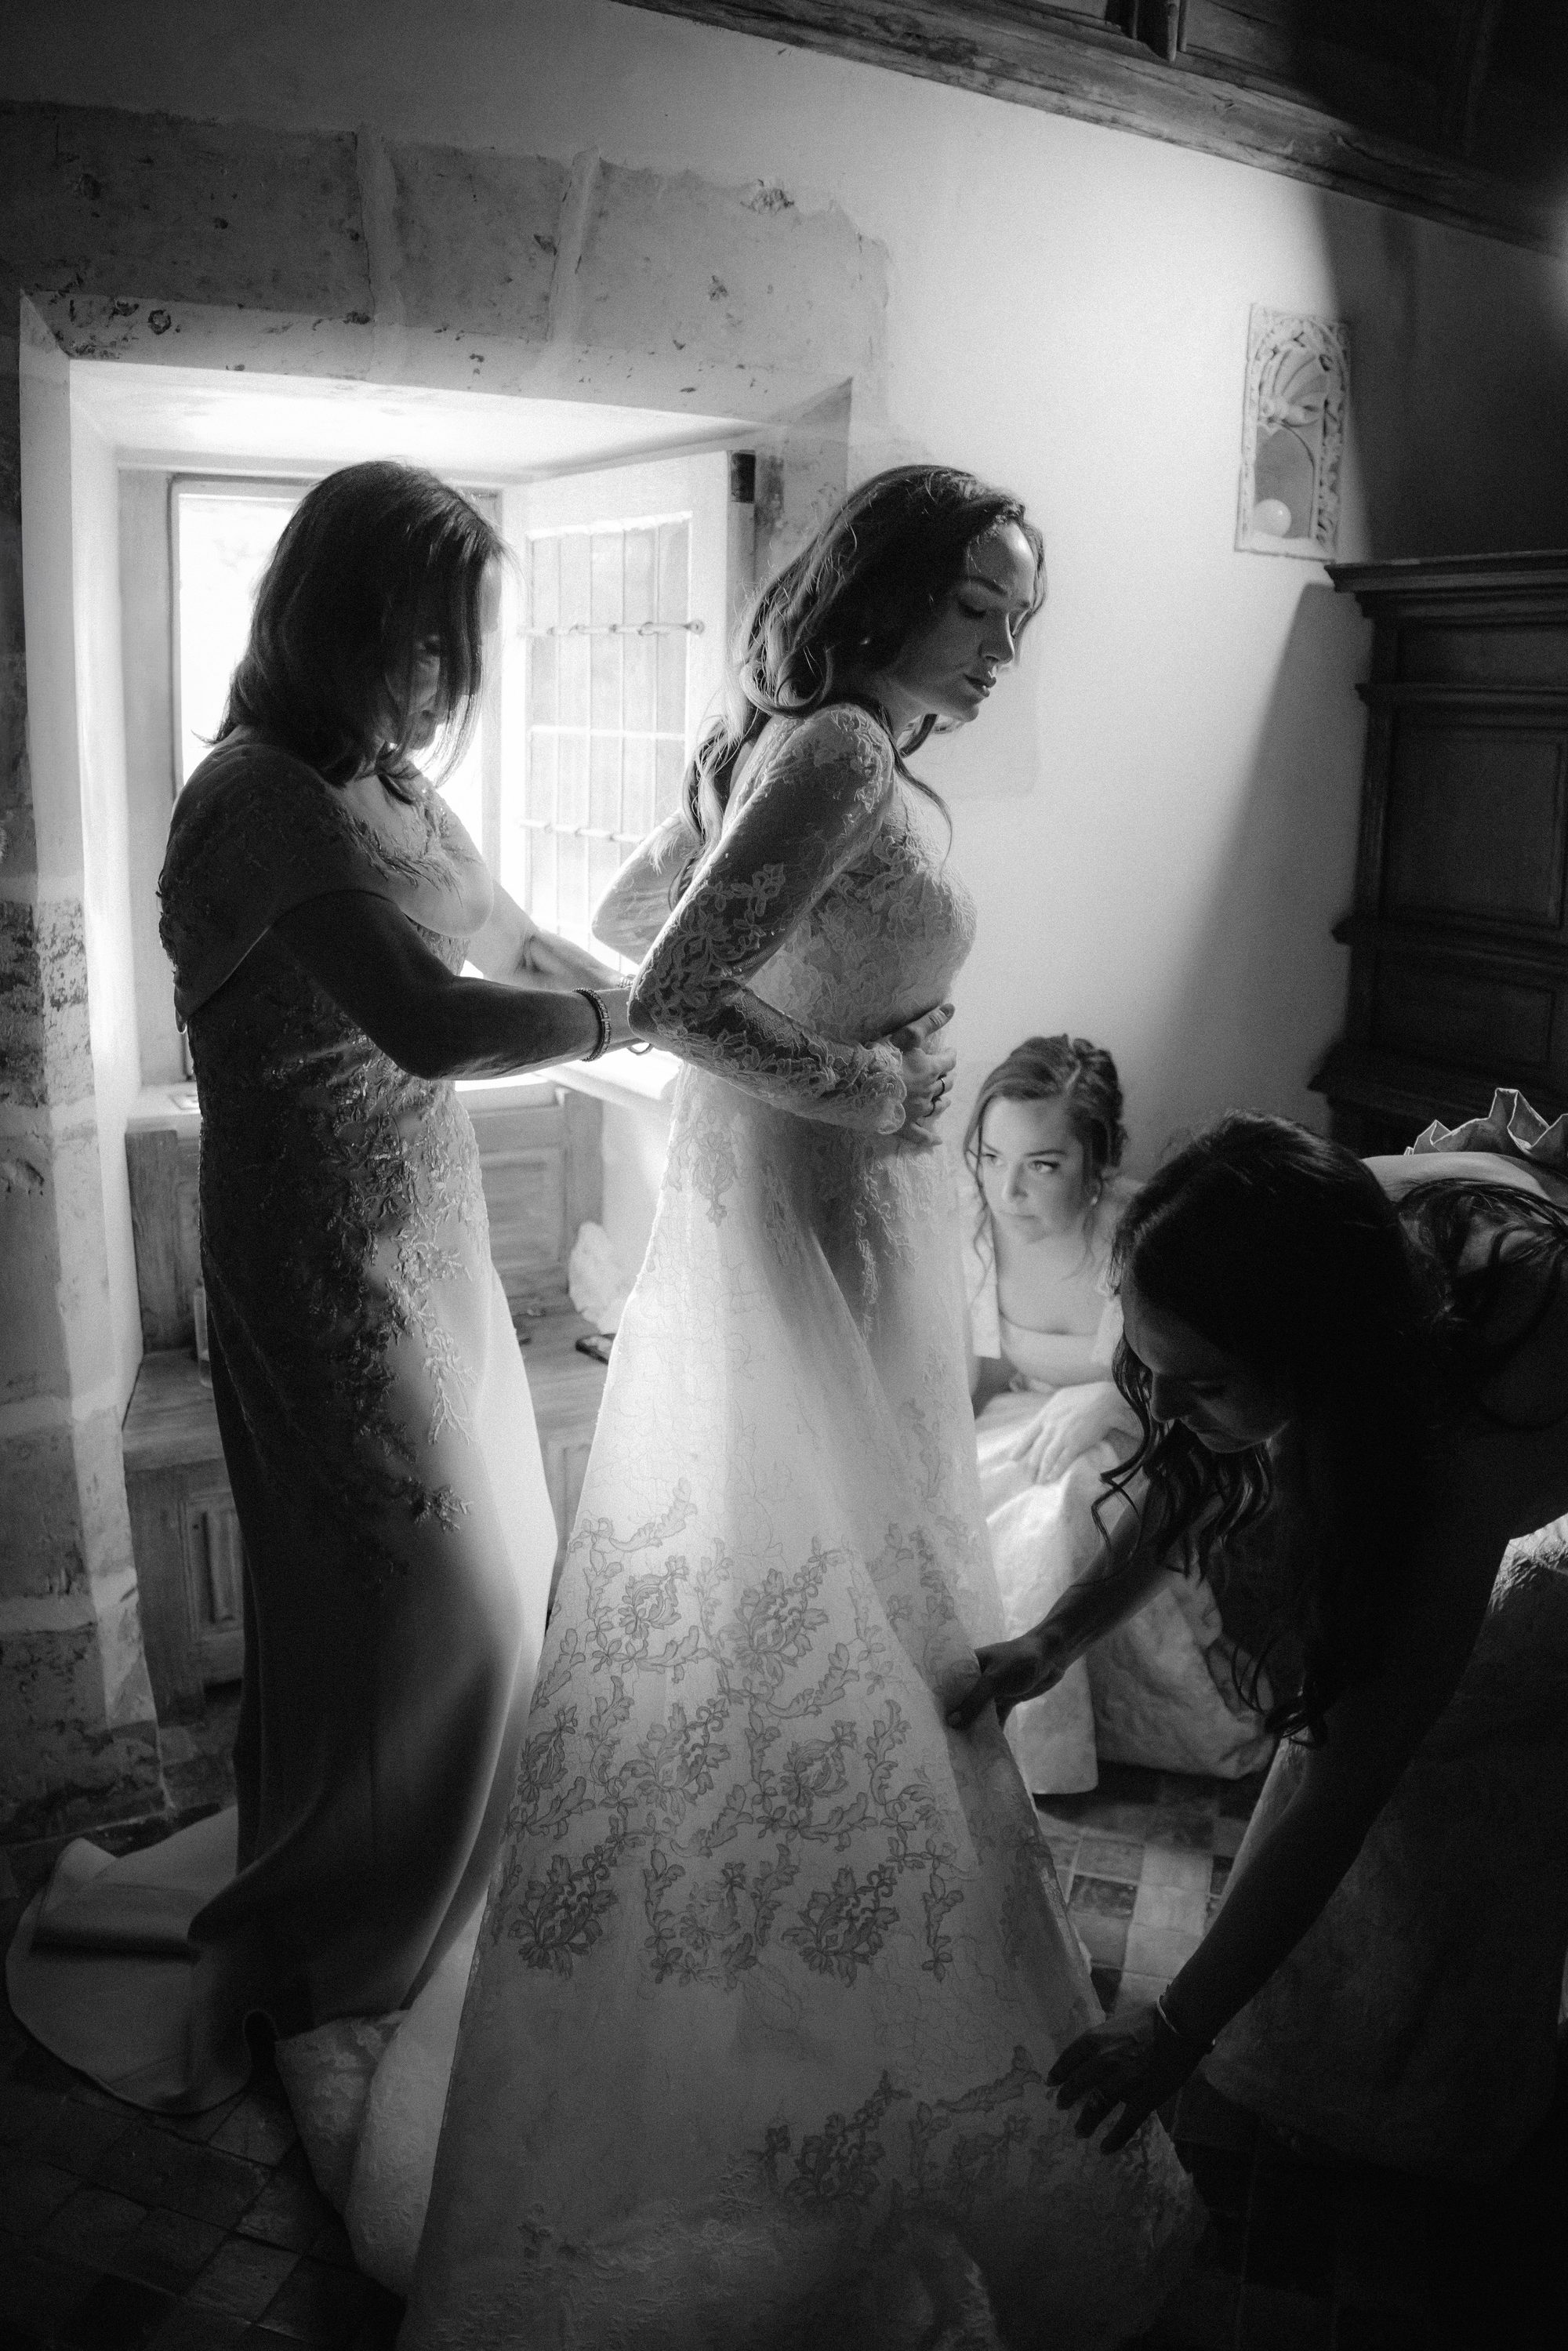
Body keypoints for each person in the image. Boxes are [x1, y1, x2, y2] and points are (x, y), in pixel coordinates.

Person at [399, 468, 1198, 2348]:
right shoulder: (837, 750)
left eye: (1018, 613)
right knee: (837, 1617)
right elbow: (668, 984)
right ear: (884, 591)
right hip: (810, 1222)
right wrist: (853, 1082)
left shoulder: (818, 745)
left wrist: (846, 1083)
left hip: (828, 1228)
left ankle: (778, 1987)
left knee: (838, 1615)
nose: (1006, 645)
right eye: (979, 605)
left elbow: (617, 918)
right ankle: (810, 2032)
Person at [6, 461, 637, 2120]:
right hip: (315, 1252)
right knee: (422, 1599)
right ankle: (343, 1930)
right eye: (407, 637)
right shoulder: (258, 790)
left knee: (493, 1578)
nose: (434, 678)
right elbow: (431, 1014)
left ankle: (427, 1875)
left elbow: (505, 931)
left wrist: (649, 988)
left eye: (454, 643)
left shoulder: (398, 787)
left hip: (424, 1230)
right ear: (322, 615)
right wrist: (611, 1031)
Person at [952, 1105, 1568, 2181]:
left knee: (1446, 1720)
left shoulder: (1469, 1434)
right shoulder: (1305, 1229)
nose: (1170, 1407)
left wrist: (1176, 2027)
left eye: (1207, 1379)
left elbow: (1352, 1764)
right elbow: (1203, 1454)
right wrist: (1051, 1639)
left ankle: (1444, 2080)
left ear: (1318, 1365)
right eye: (1154, 1370)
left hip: (1536, 1392)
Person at [966, 1036, 1272, 1794]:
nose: (1008, 1193)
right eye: (990, 1157)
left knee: (1066, 1505)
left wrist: (1105, 1394)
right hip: (1028, 1414)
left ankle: (1055, 1735)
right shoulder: (974, 1234)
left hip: (1148, 1423)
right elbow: (971, 1376)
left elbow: (1182, 1382)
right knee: (982, 1488)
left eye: (1043, 1164)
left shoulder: (1135, 1237)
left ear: (1097, 1164)